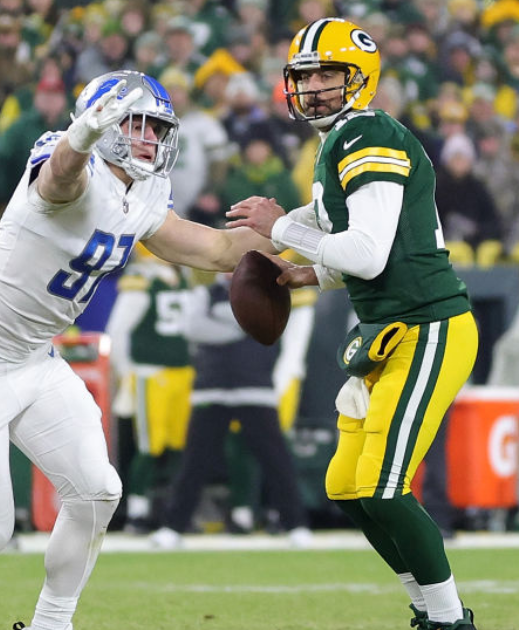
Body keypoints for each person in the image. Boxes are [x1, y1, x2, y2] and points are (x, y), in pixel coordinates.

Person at [0, 69, 273, 630]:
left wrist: (310, 239)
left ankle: (53, 621)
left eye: (158, 128)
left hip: (34, 359)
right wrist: (79, 140)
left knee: (99, 491)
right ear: (101, 124)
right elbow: (59, 183)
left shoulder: (144, 191)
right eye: (140, 125)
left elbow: (222, 250)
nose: (152, 139)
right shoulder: (67, 159)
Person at [226, 18, 480, 630]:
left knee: (385, 487)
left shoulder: (368, 133)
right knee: (347, 486)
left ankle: (450, 621)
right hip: (389, 329)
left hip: (428, 326)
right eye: (304, 76)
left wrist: (279, 226)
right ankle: (427, 610)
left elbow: (365, 252)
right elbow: (375, 253)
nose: (312, 87)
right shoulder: (342, 139)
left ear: (358, 79)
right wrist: (311, 272)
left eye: (326, 74)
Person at [149, 275, 309, 548]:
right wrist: (243, 325)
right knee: (194, 462)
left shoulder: (267, 291)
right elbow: (193, 328)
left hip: (255, 386)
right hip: (211, 387)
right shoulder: (206, 293)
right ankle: (172, 529)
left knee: (277, 461)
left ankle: (296, 526)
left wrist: (222, 319)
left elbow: (268, 324)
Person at [106, 254, 194, 532]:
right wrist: (127, 372)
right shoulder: (142, 281)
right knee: (148, 446)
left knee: (179, 445)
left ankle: (175, 511)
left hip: (183, 373)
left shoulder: (185, 279)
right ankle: (137, 512)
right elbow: (117, 332)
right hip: (150, 373)